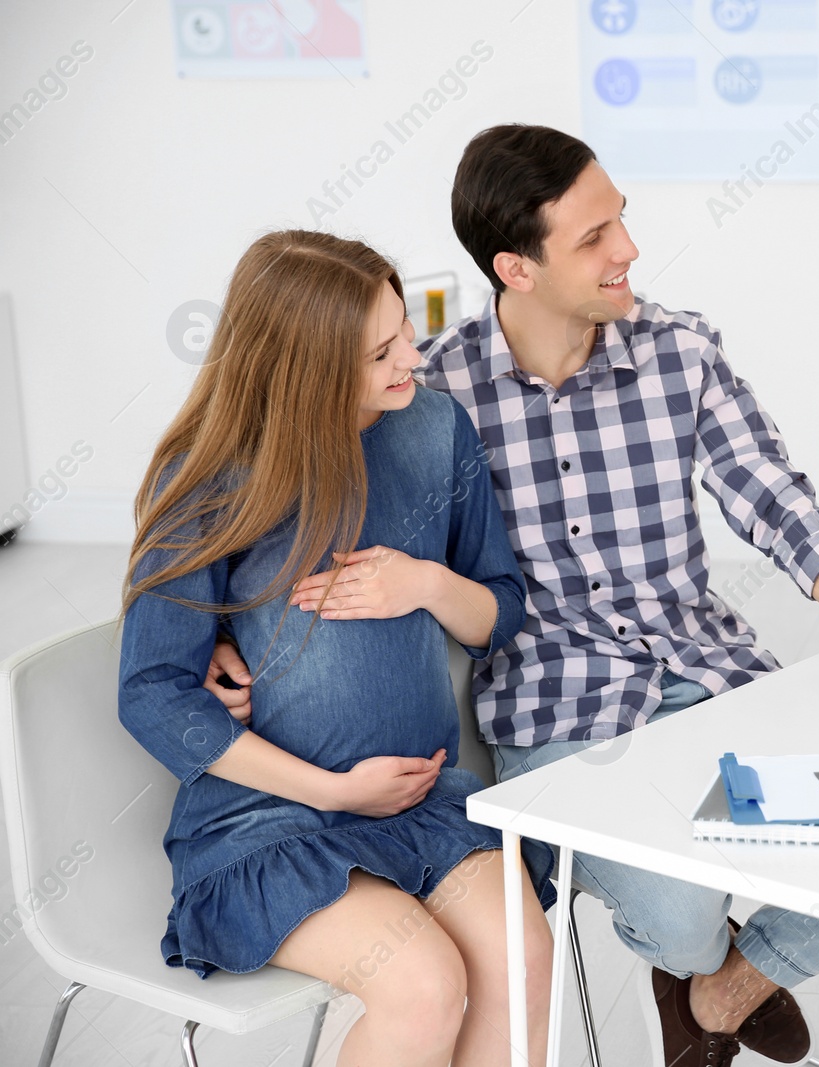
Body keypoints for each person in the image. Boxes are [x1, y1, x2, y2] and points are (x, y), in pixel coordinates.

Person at [207, 124, 819, 1065]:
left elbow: (782, 506)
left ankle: (722, 993)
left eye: (621, 219)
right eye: (593, 237)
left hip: (712, 671)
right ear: (516, 267)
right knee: (684, 909)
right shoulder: (432, 389)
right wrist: (220, 623)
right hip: (560, 704)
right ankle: (701, 958)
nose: (627, 250)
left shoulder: (681, 353)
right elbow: (275, 439)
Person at [119, 230, 554, 1067]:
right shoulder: (212, 477)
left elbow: (500, 611)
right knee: (423, 986)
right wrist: (333, 789)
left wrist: (424, 583)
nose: (412, 358)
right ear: (304, 368)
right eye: (380, 351)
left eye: (405, 329)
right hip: (268, 824)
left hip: (421, 801)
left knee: (522, 960)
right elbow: (152, 694)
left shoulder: (434, 427)